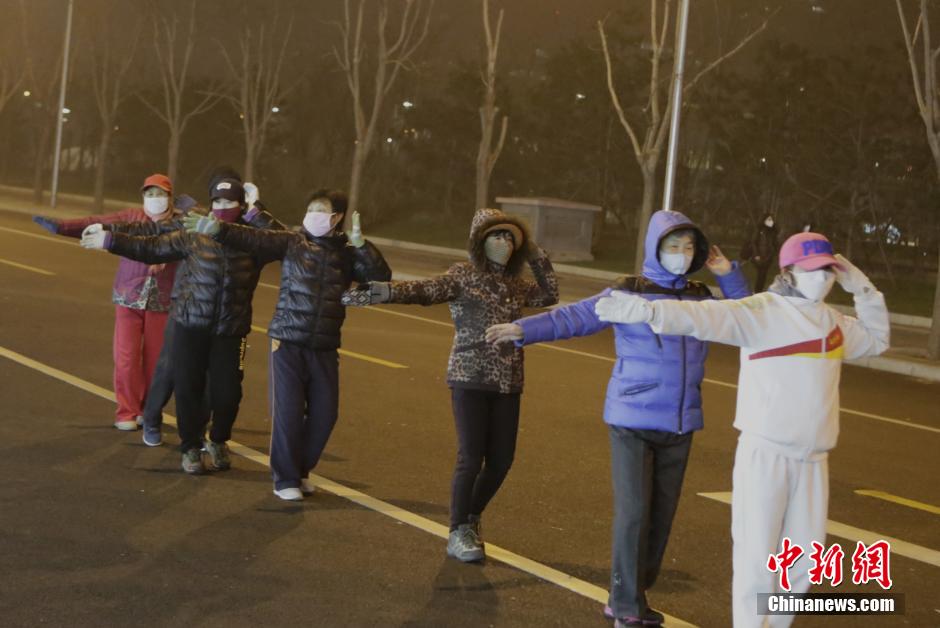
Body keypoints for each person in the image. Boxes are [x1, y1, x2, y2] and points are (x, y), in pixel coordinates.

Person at [591, 232, 889, 628]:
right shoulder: (762, 311)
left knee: (802, 561)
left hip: (814, 459)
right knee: (757, 557)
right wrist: (649, 312)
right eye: (812, 270)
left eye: (827, 271)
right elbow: (705, 317)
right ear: (789, 271)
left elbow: (878, 339)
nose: (821, 278)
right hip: (766, 453)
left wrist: (863, 287)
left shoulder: (834, 324)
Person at [486, 209, 750, 627]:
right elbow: (575, 316)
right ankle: (625, 605)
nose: (682, 254)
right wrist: (523, 329)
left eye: (688, 247)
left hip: (680, 423)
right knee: (633, 512)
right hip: (632, 418)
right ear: (655, 249)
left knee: (660, 518)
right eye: (673, 246)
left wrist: (729, 274)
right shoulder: (629, 293)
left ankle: (632, 593)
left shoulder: (701, 298)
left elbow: (746, 319)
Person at [343, 208, 558, 562]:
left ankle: (470, 518)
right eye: (496, 236)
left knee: (502, 460)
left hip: (508, 380)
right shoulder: (463, 275)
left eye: (509, 238)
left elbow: (550, 294)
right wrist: (379, 292)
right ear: (480, 241)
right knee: (471, 457)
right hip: (469, 375)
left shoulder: (516, 284)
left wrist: (534, 252)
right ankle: (458, 531)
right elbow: (424, 289)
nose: (503, 243)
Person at [184, 189, 391, 500]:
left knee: (325, 415)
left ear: (336, 218)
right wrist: (218, 229)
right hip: (287, 341)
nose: (313, 215)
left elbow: (380, 279)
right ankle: (285, 479)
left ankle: (301, 470)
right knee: (288, 414)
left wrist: (363, 245)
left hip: (324, 346)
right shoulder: (294, 242)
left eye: (320, 210)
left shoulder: (347, 252)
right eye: (310, 209)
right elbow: (255, 239)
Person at [80, 178, 266, 475]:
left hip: (232, 332)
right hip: (191, 325)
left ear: (241, 206)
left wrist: (259, 212)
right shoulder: (192, 234)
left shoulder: (252, 240)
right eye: (216, 202)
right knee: (188, 388)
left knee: (228, 394)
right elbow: (153, 248)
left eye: (230, 202)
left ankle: (218, 439)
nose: (222, 208)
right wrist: (110, 240)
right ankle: (191, 447)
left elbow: (283, 241)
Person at [32, 174, 178, 431]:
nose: (155, 199)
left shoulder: (181, 223)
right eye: (150, 194)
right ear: (143, 197)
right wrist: (62, 227)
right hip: (128, 296)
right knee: (126, 357)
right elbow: (95, 222)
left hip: (163, 300)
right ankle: (127, 412)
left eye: (160, 194)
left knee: (156, 361)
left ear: (170, 197)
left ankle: (149, 410)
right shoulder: (132, 218)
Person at [741, 214, 779, 292]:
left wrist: (772, 254)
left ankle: (758, 291)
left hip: (768, 257)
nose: (770, 221)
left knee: (763, 275)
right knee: (760, 274)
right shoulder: (759, 230)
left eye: (771, 219)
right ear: (764, 220)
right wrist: (756, 254)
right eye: (768, 219)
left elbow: (775, 244)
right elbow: (754, 242)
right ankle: (756, 290)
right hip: (759, 256)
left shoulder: (773, 231)